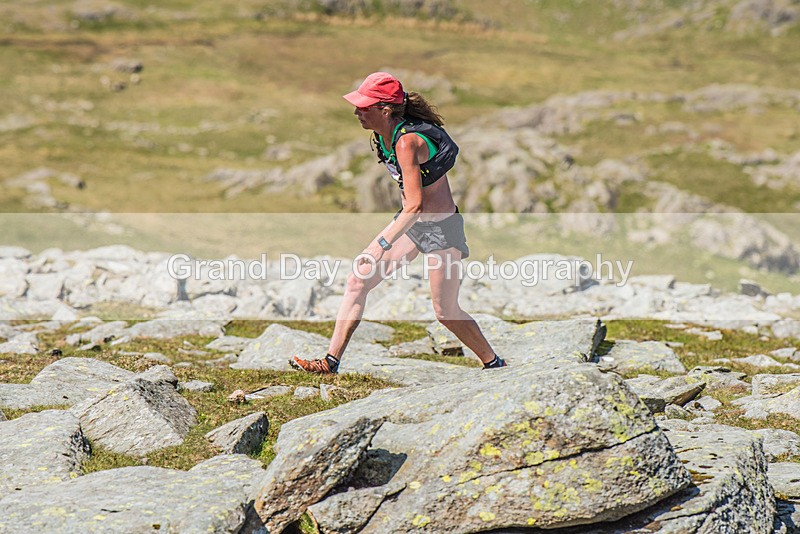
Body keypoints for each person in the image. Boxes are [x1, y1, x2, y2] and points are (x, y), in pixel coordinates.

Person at [290, 72, 506, 374]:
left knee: (445, 311)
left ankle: (494, 363)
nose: (356, 113)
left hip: (441, 230)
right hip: (412, 226)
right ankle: (330, 361)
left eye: (364, 107)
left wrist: (380, 243)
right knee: (357, 281)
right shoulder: (382, 136)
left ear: (385, 110)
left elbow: (416, 205)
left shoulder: (407, 142)